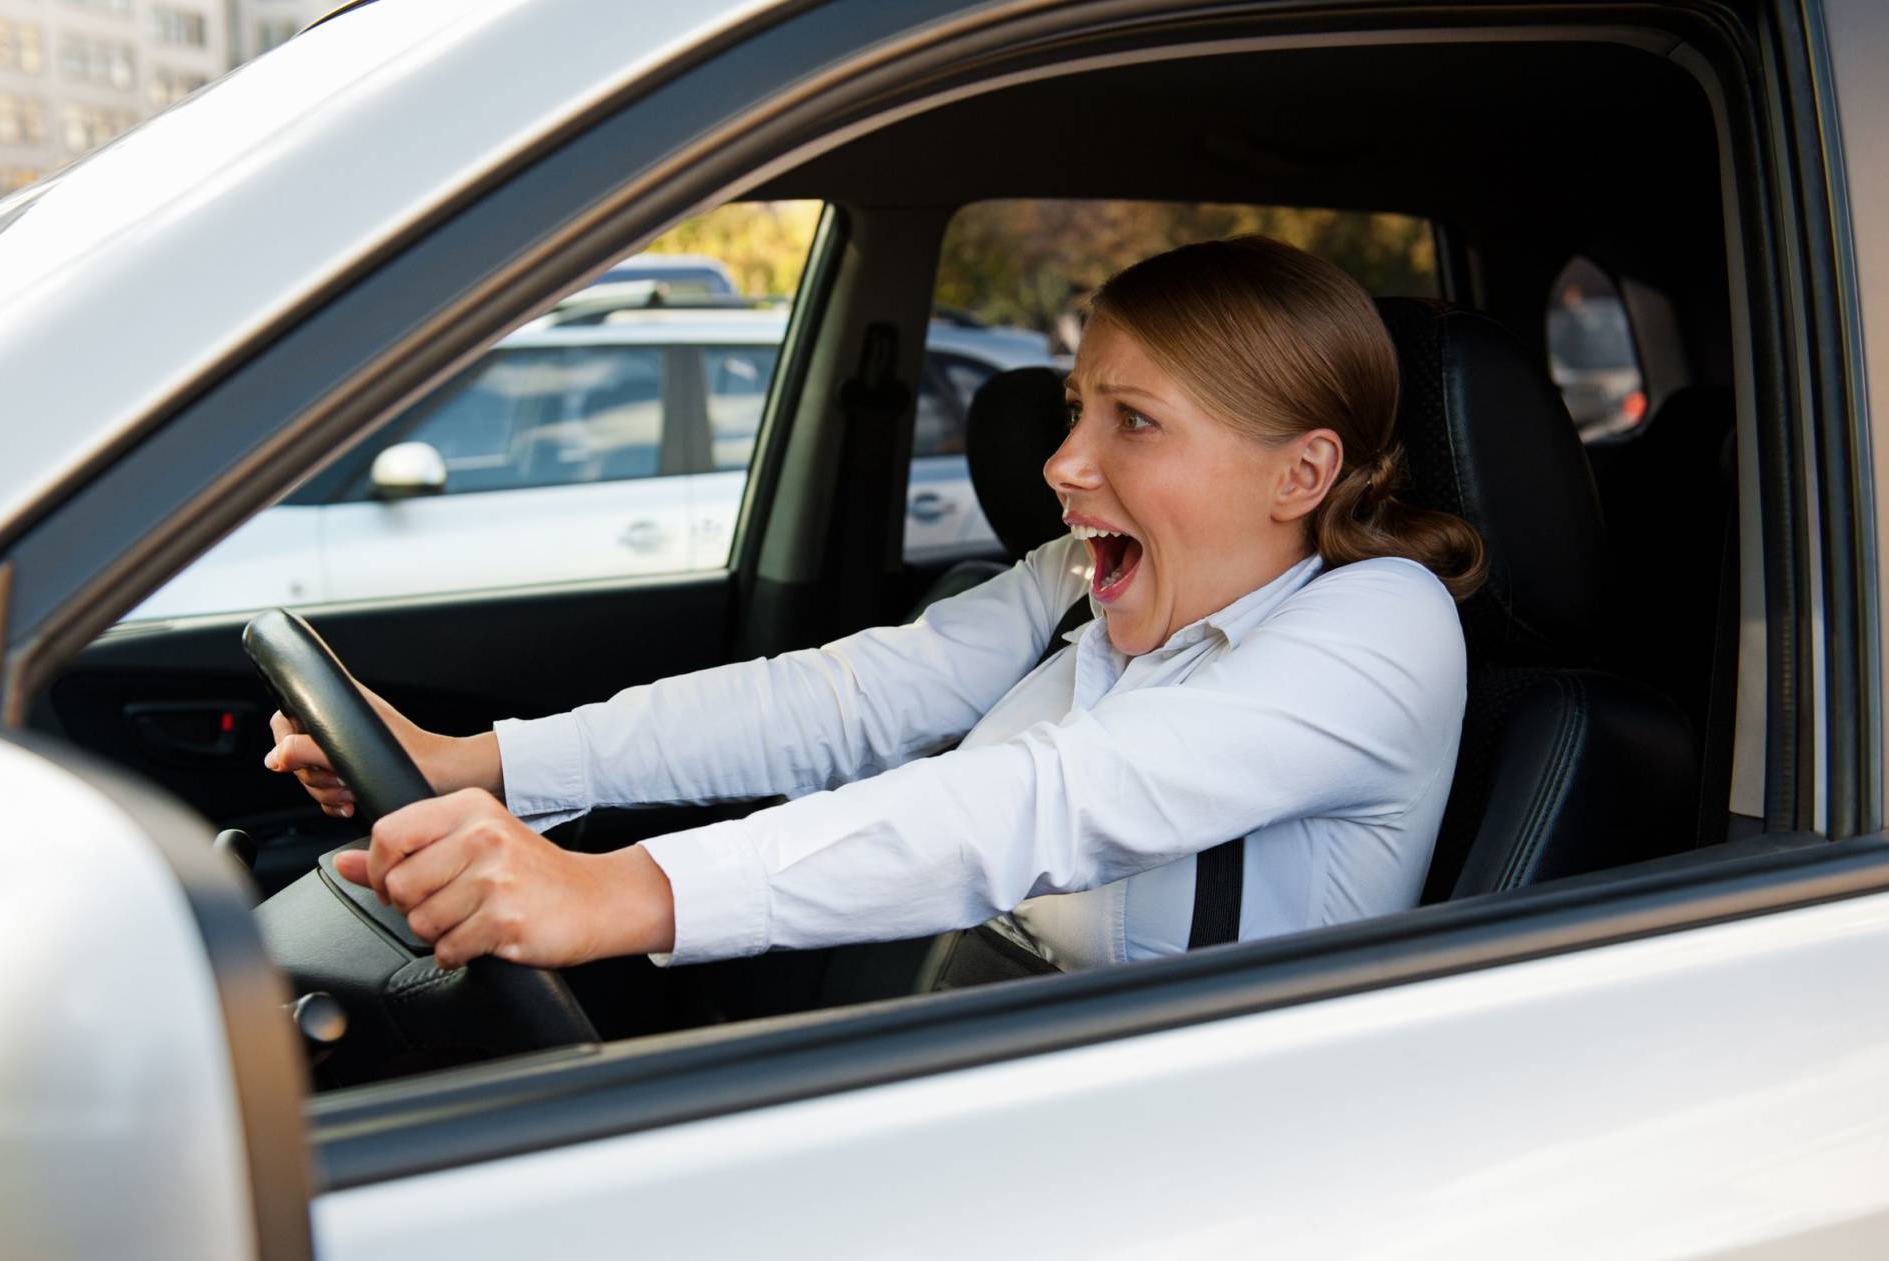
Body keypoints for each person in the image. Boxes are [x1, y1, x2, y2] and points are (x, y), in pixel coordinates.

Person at [266, 236, 1485, 974]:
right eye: (1075, 408)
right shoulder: (1085, 583)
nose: (1062, 464)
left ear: (1300, 475)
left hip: (1205, 1146)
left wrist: (613, 891)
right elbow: (835, 700)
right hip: (990, 1035)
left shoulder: (1382, 627)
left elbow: (1038, 803)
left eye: (1134, 421)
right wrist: (481, 762)